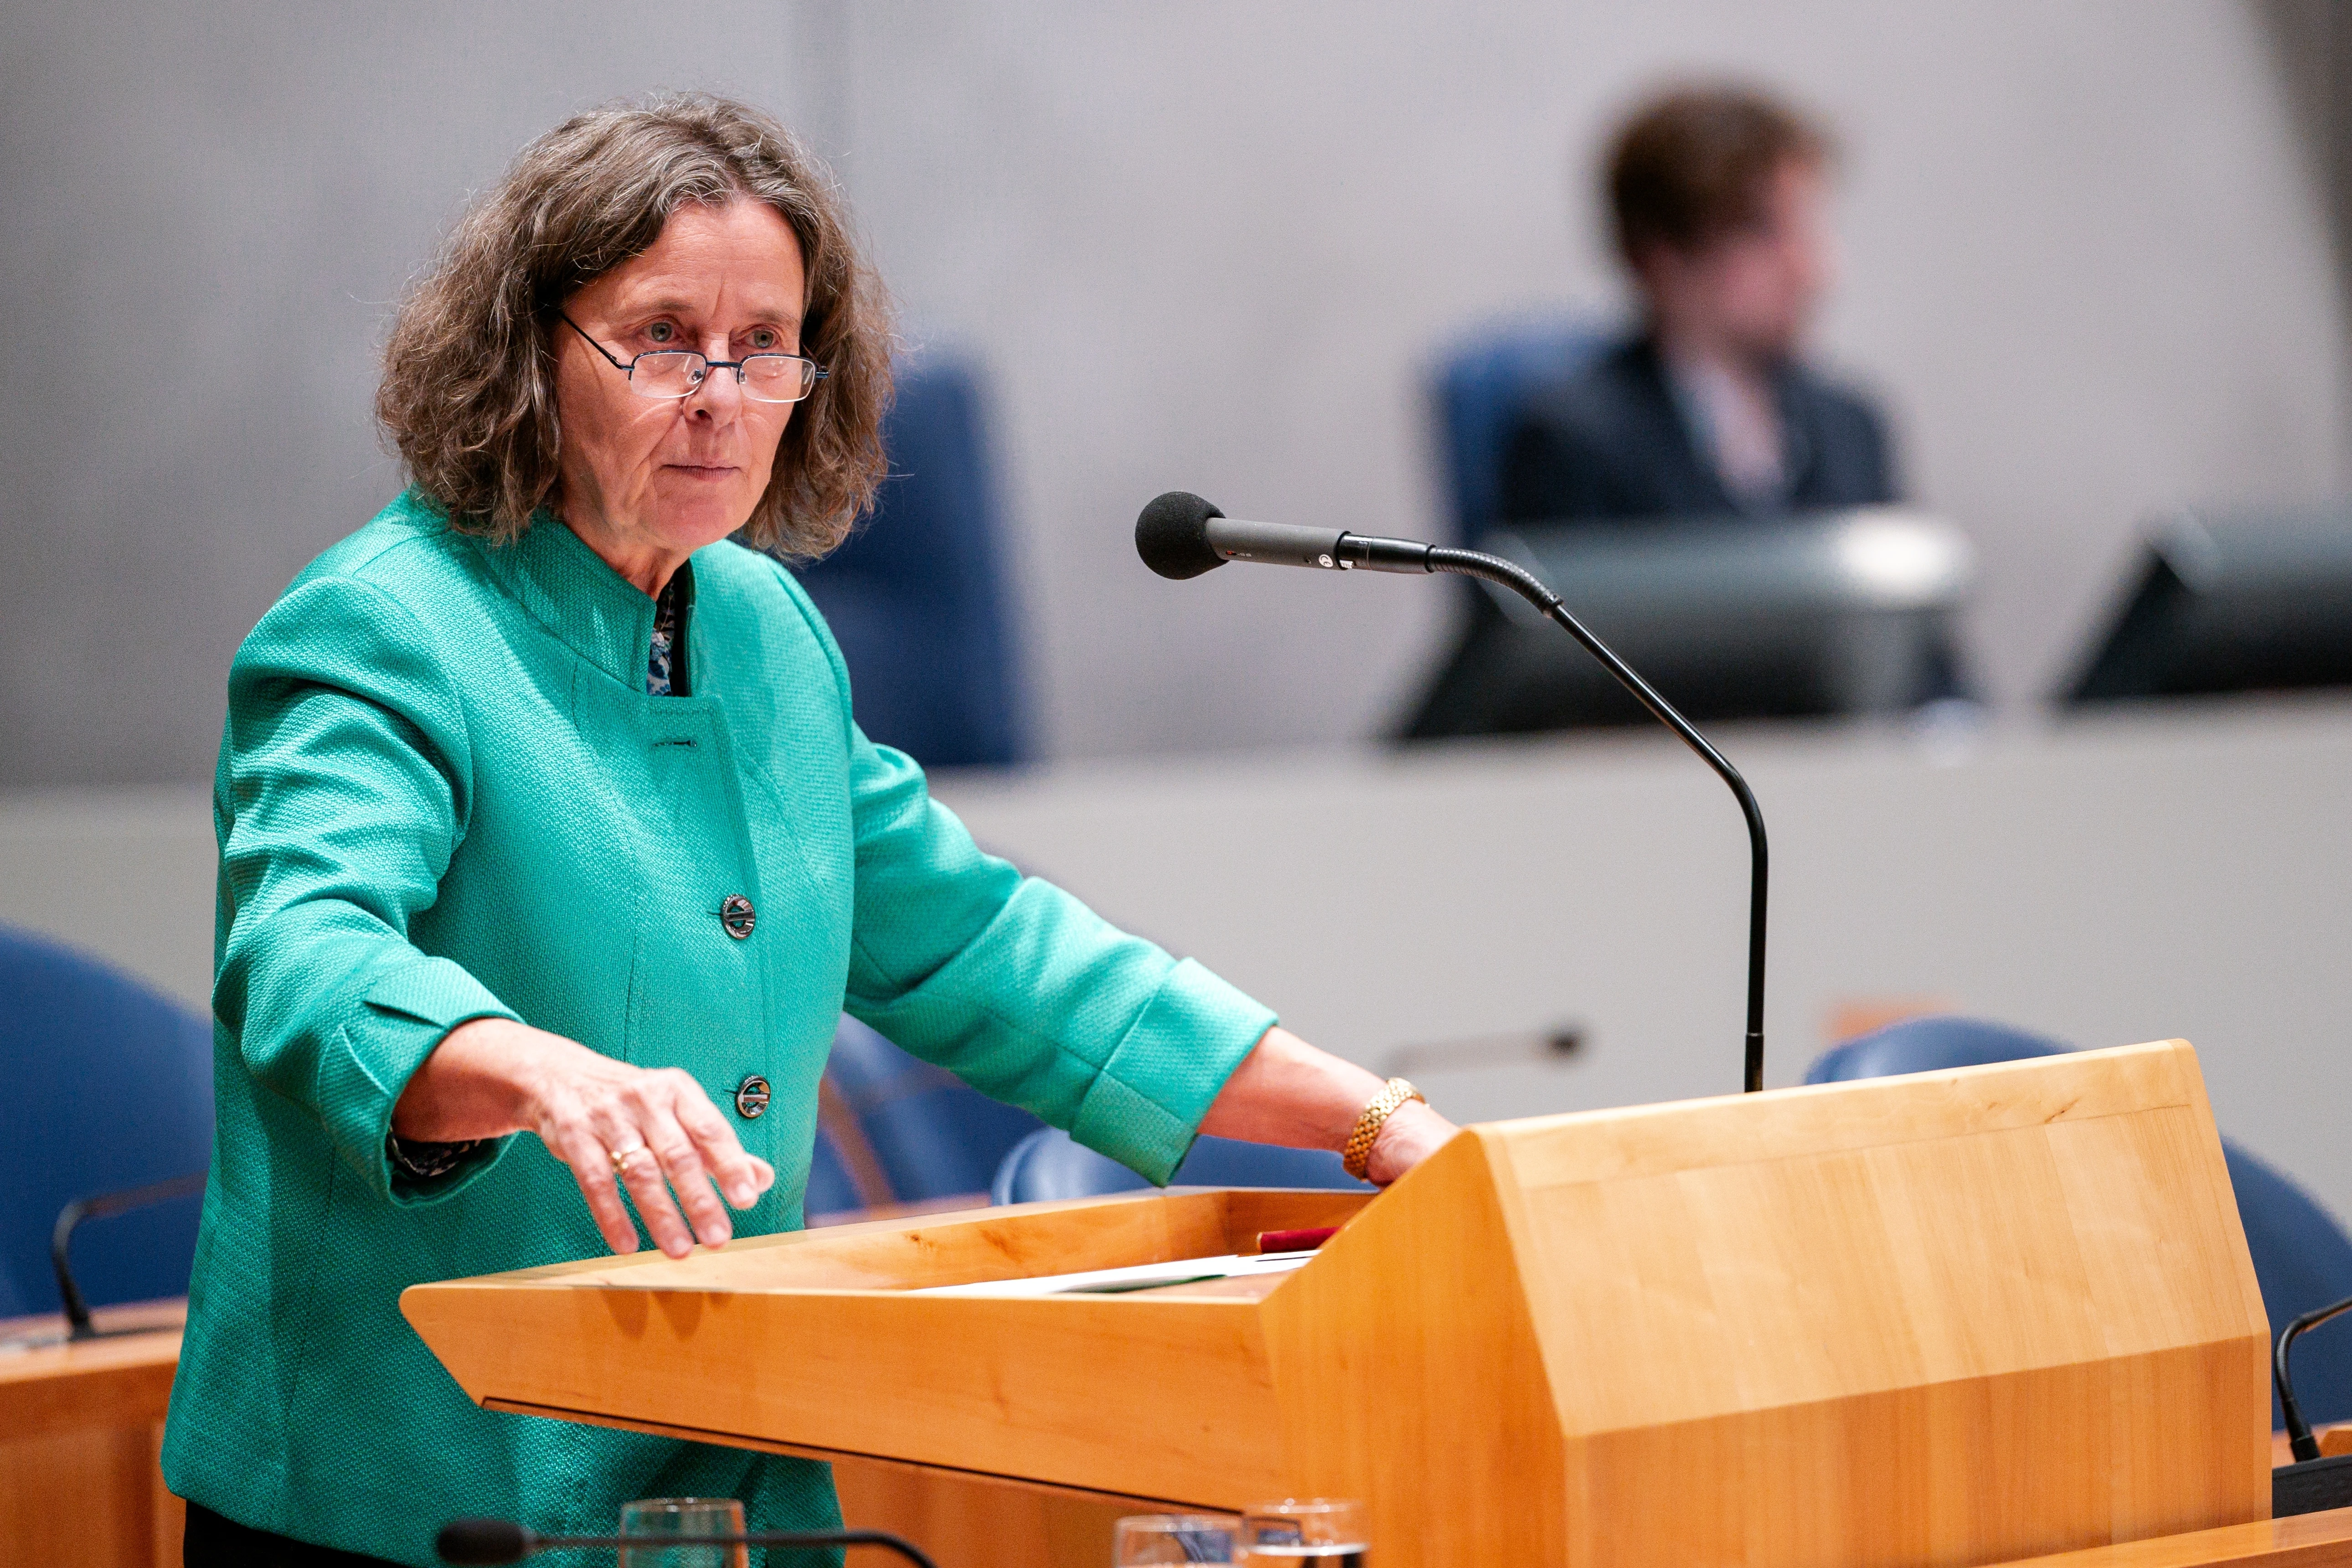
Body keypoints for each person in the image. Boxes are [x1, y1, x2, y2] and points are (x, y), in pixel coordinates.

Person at [162, 93, 1456, 1567]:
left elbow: (980, 945)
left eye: (765, 343)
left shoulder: (768, 630)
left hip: (715, 1466)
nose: (720, 392)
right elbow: (305, 953)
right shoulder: (386, 627)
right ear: (529, 357)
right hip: (414, 1492)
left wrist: (1379, 1124)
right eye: (659, 336)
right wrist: (539, 1072)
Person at [1500, 83, 1900, 526]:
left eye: (1807, 231)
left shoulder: (1851, 427)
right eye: (1765, 233)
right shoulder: (1577, 441)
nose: (1808, 269)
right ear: (1664, 258)